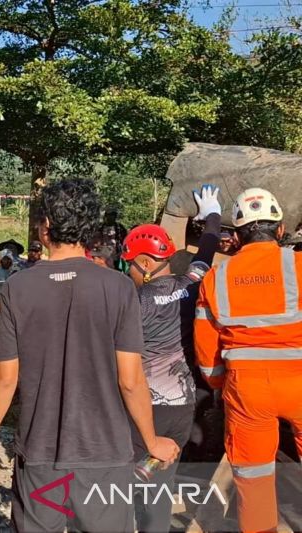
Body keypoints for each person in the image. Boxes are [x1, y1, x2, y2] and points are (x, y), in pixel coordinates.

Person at [0, 178, 179, 533]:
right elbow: (130, 379)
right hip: (106, 455)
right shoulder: (118, 288)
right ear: (87, 229)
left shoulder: (18, 287)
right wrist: (151, 441)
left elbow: (6, 377)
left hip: (41, 454)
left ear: (46, 227)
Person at [194, 187, 302, 533]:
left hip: (248, 389)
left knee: (254, 476)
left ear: (237, 236)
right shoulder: (298, 266)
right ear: (280, 230)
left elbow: (206, 353)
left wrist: (219, 386)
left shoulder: (216, 279)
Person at [121, 185, 222, 532]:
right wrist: (213, 214)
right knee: (159, 488)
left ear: (146, 263)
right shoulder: (190, 286)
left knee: (120, 491)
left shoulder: (134, 303)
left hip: (142, 409)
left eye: (129, 264)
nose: (128, 271)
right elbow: (205, 254)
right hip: (181, 407)